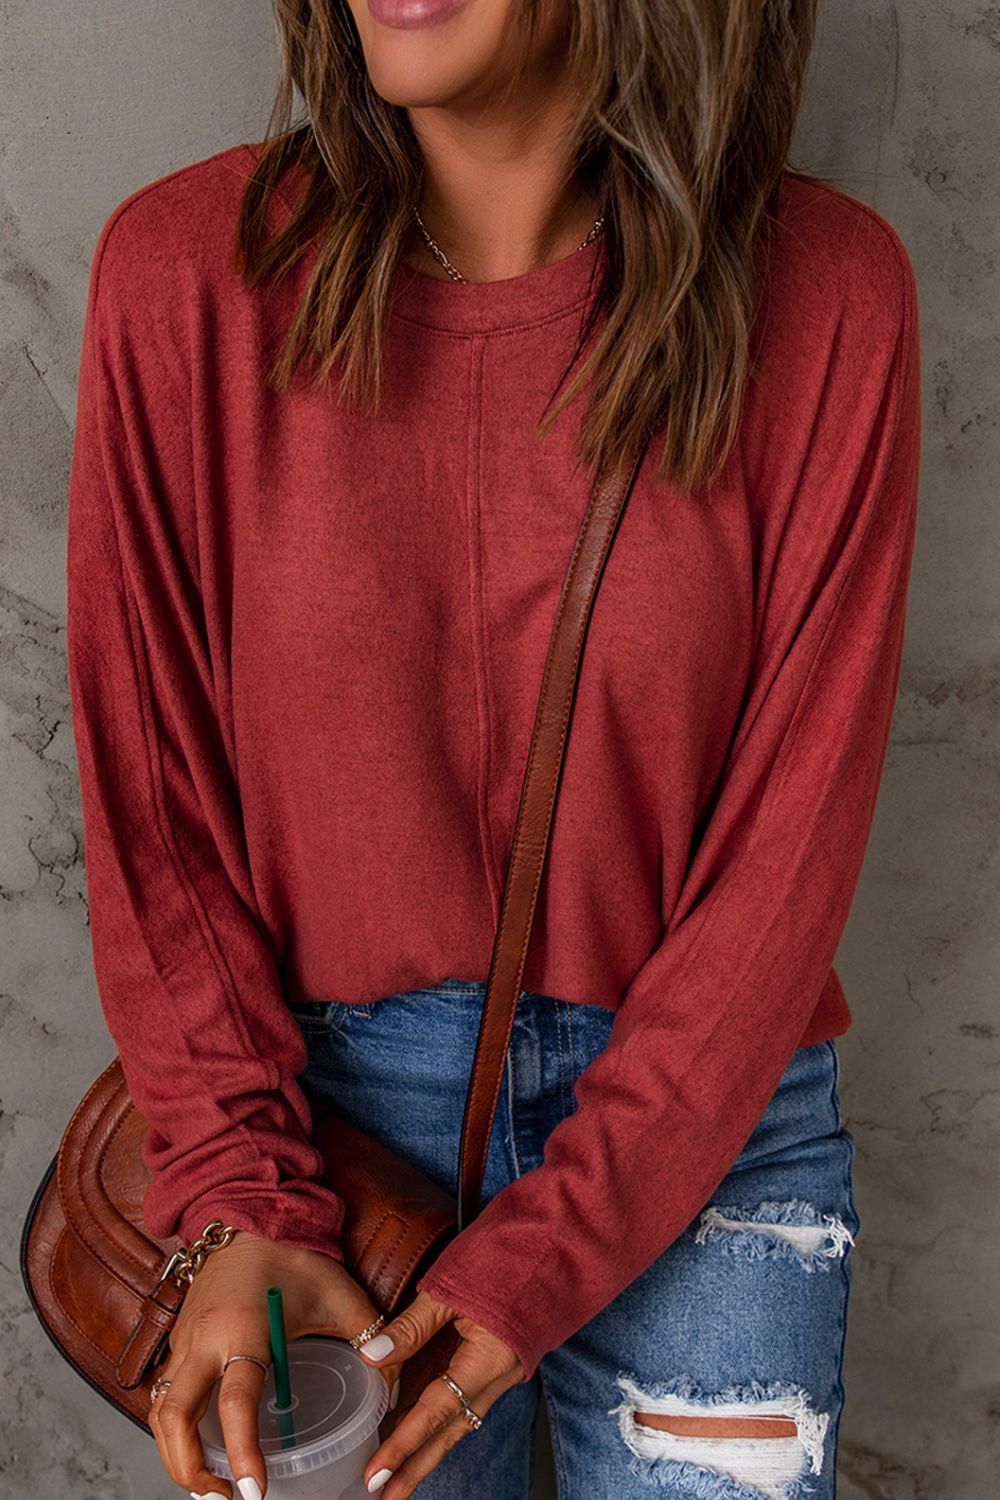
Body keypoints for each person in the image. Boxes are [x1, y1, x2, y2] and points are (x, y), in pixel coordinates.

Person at [64, 1, 921, 1497]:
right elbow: (155, 813)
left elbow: (790, 851)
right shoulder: (188, 275)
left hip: (704, 1132)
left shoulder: (827, 295)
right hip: (320, 1144)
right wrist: (241, 1184)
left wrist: (558, 1243)